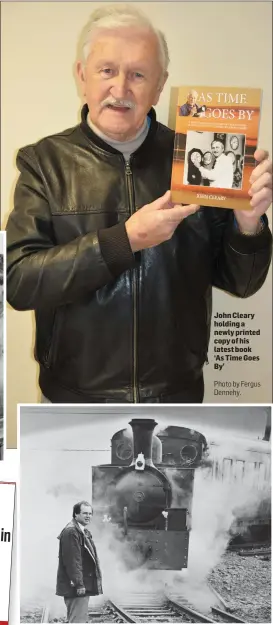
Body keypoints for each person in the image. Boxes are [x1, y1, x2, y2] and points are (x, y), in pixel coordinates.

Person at [6, 4, 273, 404]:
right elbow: (19, 282)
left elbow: (243, 283)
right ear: (82, 76)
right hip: (72, 399)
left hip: (177, 397)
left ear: (160, 85)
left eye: (138, 74)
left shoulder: (200, 156)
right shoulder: (44, 163)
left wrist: (248, 226)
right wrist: (123, 241)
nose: (120, 89)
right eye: (107, 70)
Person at [56, 501, 102, 623]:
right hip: (76, 587)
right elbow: (72, 561)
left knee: (78, 618)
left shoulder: (82, 531)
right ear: (76, 514)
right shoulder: (72, 532)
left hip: (80, 585)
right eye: (85, 513)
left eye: (90, 513)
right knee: (78, 620)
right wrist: (79, 584)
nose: (88, 516)